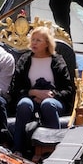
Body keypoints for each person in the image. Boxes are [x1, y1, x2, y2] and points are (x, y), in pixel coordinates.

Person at [9, 26, 75, 155]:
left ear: (47, 43)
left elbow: (68, 89)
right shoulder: (25, 60)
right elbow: (15, 88)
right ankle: (18, 148)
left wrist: (51, 95)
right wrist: (32, 93)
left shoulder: (57, 61)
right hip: (30, 98)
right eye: (33, 39)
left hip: (54, 100)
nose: (34, 43)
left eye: (38, 40)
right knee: (24, 104)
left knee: (47, 104)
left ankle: (54, 148)